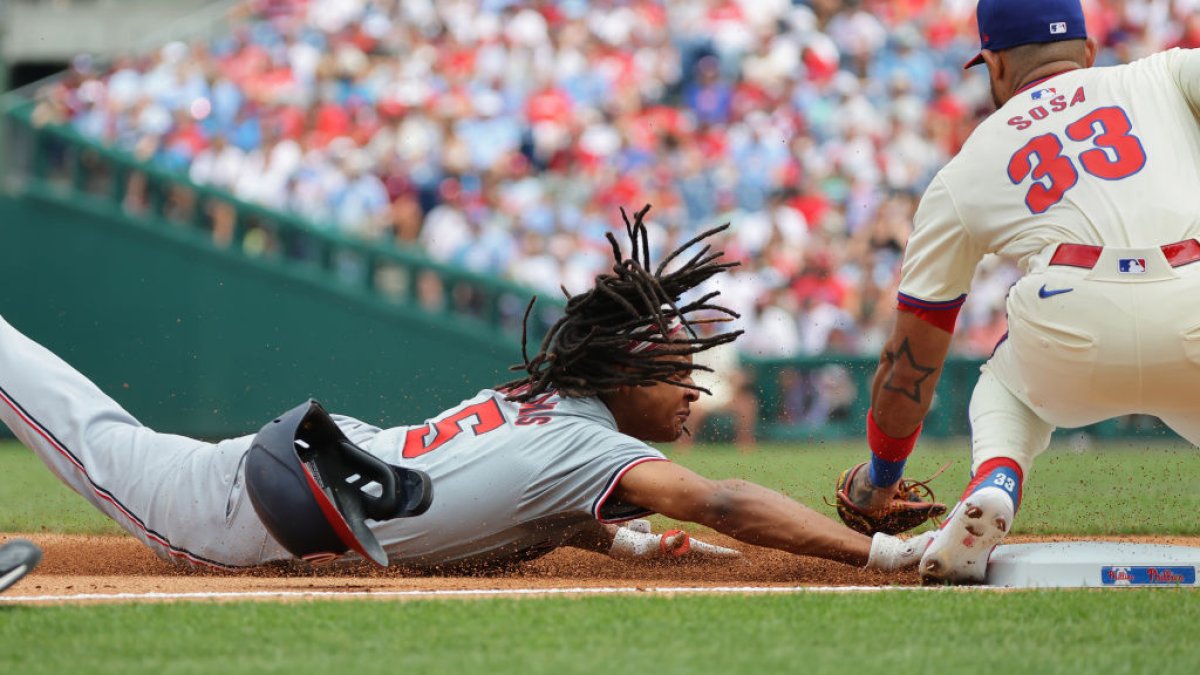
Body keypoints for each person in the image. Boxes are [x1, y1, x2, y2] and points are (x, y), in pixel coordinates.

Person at [0, 206, 929, 575]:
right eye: (679, 369)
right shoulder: (593, 444)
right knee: (75, 419)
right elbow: (724, 498)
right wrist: (886, 558)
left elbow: (529, 504)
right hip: (223, 512)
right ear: (623, 373)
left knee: (84, 419)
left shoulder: (551, 413)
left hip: (289, 476)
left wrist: (629, 542)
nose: (696, 389)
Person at [836, 0, 1200, 583]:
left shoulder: (967, 166)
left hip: (1069, 322)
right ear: (1088, 51)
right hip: (1192, 303)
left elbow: (911, 362)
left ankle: (997, 479)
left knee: (1004, 386)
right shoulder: (1162, 73)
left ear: (994, 65)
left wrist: (881, 479)